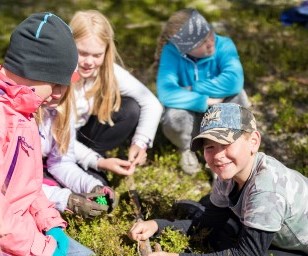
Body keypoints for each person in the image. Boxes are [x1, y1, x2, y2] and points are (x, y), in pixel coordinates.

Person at [129, 103, 308, 256]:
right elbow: (208, 225)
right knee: (211, 222)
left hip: (301, 250)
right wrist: (157, 225)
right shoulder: (229, 174)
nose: (218, 156)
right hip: (270, 231)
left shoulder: (267, 190)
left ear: (253, 141)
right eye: (210, 147)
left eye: (226, 144)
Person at [0, 12, 99, 256]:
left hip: (21, 231)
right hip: (6, 248)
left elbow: (29, 187)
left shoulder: (26, 111)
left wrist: (51, 225)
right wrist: (40, 251)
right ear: (30, 68)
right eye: (54, 82)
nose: (59, 93)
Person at [66, 10, 163, 176]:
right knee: (97, 196)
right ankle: (92, 165)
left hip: (81, 135)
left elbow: (151, 103)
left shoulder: (107, 71)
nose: (89, 62)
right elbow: (55, 138)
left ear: (106, 51)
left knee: (130, 108)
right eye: (82, 53)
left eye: (97, 55)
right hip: (55, 144)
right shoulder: (57, 78)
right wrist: (99, 162)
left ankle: (92, 162)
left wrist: (140, 142)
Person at [156, 8, 251, 175]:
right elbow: (166, 92)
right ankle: (186, 148)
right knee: (173, 116)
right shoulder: (171, 52)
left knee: (239, 96)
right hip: (192, 115)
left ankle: (226, 148)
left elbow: (234, 81)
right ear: (184, 50)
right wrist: (204, 101)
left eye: (210, 33)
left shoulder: (224, 44)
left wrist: (193, 88)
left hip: (221, 112)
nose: (210, 42)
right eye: (200, 43)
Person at [36, 88, 117, 218]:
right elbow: (15, 184)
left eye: (61, 85)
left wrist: (92, 186)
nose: (57, 93)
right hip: (15, 186)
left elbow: (61, 163)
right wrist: (64, 199)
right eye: (51, 83)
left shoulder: (61, 110)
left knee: (99, 187)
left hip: (41, 171)